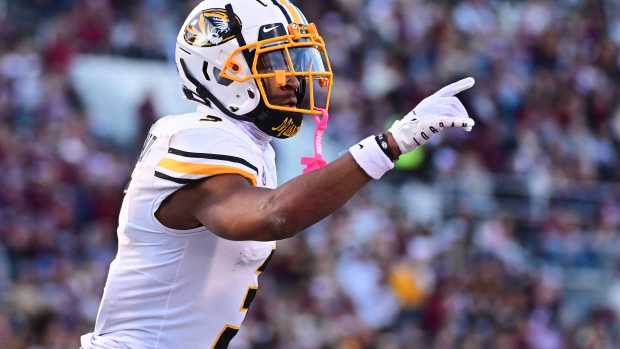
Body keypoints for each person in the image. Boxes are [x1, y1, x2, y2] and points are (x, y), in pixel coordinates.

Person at [80, 0, 475, 348]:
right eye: (273, 63)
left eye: (294, 62)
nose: (292, 79)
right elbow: (272, 215)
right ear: (222, 71)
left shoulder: (252, 147)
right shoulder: (198, 134)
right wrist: (388, 146)